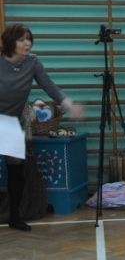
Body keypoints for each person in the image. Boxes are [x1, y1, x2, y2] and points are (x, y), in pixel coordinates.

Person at [0, 23, 84, 231]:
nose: (27, 43)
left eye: (28, 38)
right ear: (10, 42)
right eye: (21, 39)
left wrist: (70, 105)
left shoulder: (32, 62)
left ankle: (15, 217)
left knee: (16, 169)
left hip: (13, 122)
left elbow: (51, 87)